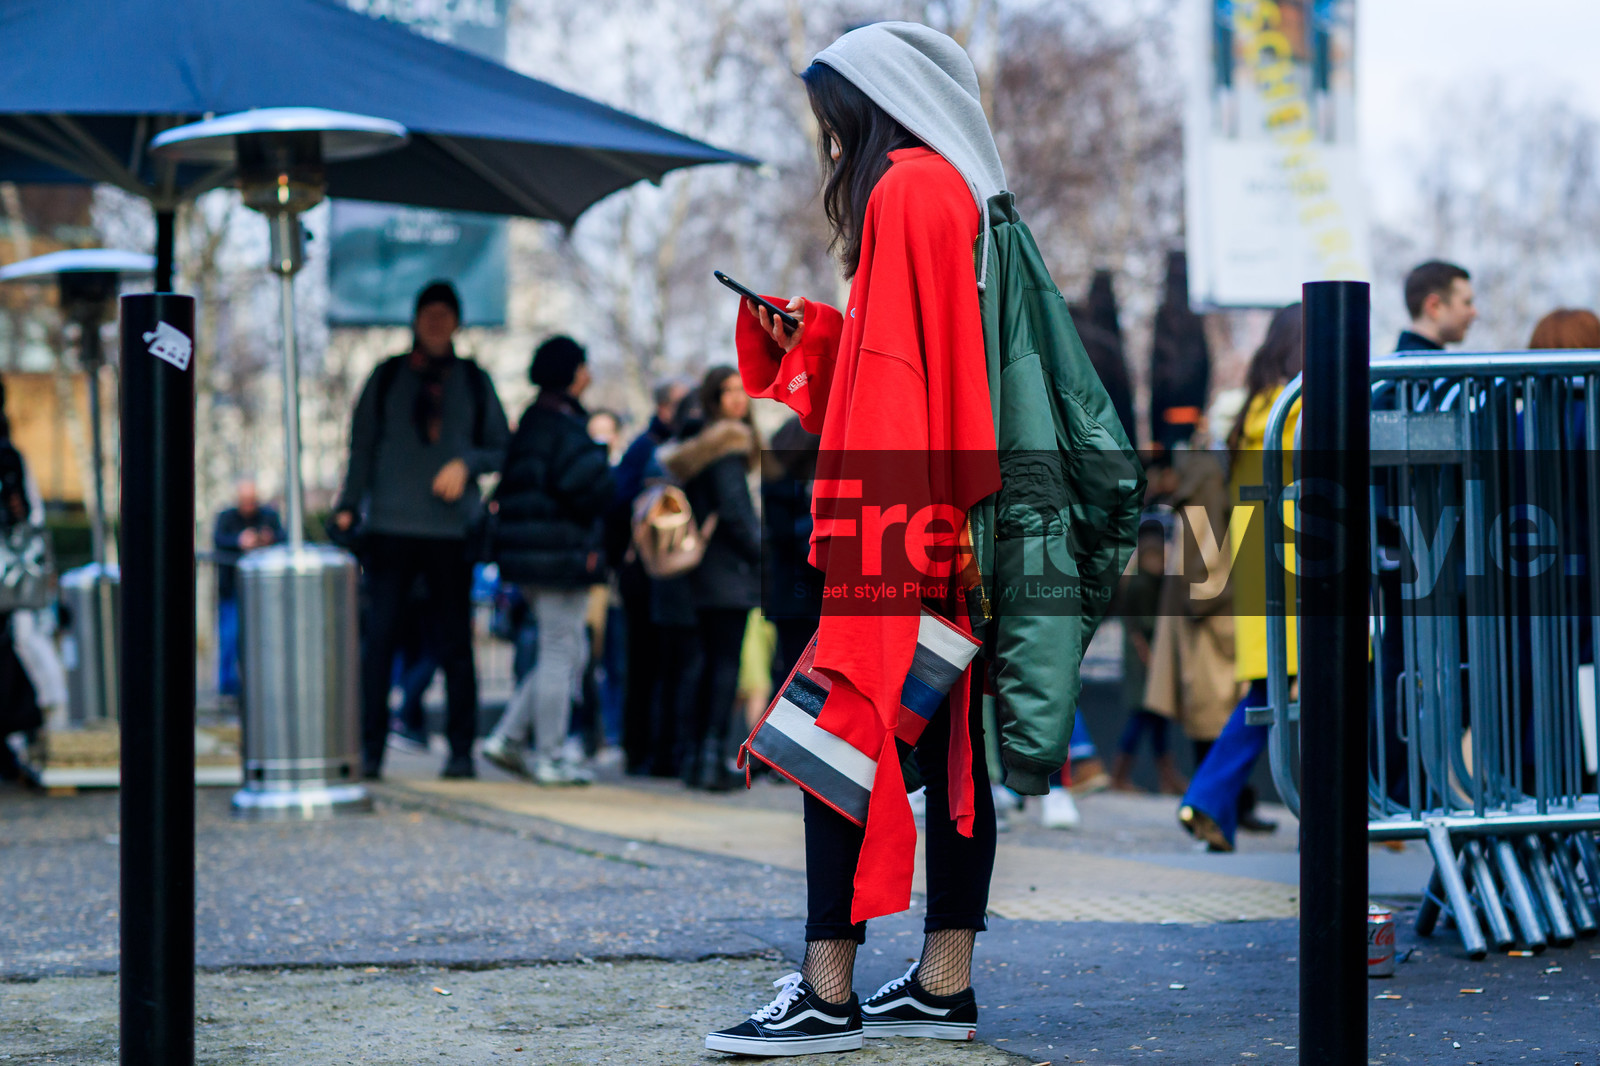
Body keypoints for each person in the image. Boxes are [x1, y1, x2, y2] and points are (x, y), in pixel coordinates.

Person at [706, 23, 1141, 1056]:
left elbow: (899, 380)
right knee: (952, 763)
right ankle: (943, 984)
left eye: (828, 123)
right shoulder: (958, 190)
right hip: (960, 525)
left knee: (830, 737)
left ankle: (826, 990)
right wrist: (818, 334)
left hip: (903, 530)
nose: (826, 147)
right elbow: (932, 363)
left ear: (865, 106)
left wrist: (877, 548)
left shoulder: (901, 188)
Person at [334, 280, 510, 780]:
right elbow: (361, 446)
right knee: (380, 643)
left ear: (456, 322)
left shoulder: (474, 380)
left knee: (456, 645)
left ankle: (460, 751)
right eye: (427, 314)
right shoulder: (386, 376)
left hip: (451, 533)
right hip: (389, 526)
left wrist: (467, 464)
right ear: (415, 320)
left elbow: (502, 445)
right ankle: (369, 751)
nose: (435, 323)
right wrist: (348, 506)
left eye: (444, 314)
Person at [1177, 303, 1303, 852]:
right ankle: (1207, 798)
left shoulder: (1255, 408)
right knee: (1300, 692)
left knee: (1264, 692)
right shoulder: (1297, 407)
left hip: (1259, 563)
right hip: (1303, 562)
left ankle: (1213, 811)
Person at [479, 337, 614, 786]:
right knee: (561, 651)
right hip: (559, 557)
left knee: (561, 649)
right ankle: (550, 755)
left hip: (532, 556)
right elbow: (585, 487)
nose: (589, 374)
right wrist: (600, 459)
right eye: (584, 366)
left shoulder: (533, 421)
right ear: (572, 373)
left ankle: (509, 738)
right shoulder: (563, 425)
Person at [658, 366, 761, 792]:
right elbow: (737, 514)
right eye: (727, 392)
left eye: (742, 390)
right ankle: (711, 759)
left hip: (699, 574)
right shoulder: (727, 447)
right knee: (722, 667)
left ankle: (694, 755)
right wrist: (763, 555)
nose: (738, 399)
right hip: (727, 575)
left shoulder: (694, 449)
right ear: (713, 399)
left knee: (701, 666)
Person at [614, 380, 690, 776]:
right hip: (647, 572)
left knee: (649, 664)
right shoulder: (651, 450)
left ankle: (642, 749)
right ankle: (641, 749)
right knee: (646, 663)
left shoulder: (651, 448)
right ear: (665, 408)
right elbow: (620, 500)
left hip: (648, 572)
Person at [1109, 522, 1179, 794]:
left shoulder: (1150, 580)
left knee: (1155, 720)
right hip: (1145, 663)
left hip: (1148, 662)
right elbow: (1143, 627)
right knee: (1142, 719)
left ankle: (1166, 777)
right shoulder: (1141, 583)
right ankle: (1121, 776)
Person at [0, 402, 44, 791]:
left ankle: (19, 725)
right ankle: (20, 725)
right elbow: (23, 513)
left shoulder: (8, 457)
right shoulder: (9, 456)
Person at [212, 480, 284, 699]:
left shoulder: (269, 516)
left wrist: (266, 539)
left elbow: (283, 537)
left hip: (265, 592)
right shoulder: (226, 517)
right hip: (231, 589)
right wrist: (240, 541)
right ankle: (227, 688)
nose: (248, 506)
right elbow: (219, 540)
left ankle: (260, 683)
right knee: (230, 637)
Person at [1395, 260, 1476, 353]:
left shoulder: (1399, 362)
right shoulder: (1424, 365)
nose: (1474, 312)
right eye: (1467, 303)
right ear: (1434, 306)